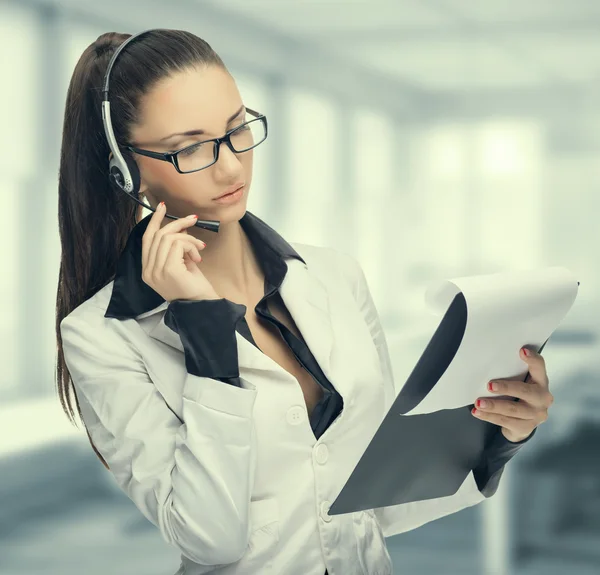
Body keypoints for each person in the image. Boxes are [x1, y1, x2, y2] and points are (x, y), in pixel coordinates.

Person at [55, 29, 555, 575]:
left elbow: (378, 500)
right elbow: (211, 538)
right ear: (125, 169)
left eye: (236, 129)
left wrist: (500, 432)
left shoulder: (336, 275)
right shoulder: (99, 336)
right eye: (189, 148)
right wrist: (204, 331)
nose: (231, 167)